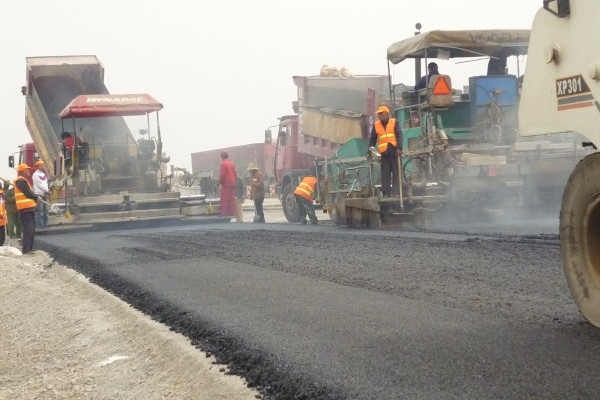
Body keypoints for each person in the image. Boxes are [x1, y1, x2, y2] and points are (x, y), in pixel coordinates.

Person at [369, 105, 403, 197]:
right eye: (379, 114)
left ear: (387, 114)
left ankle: (396, 193)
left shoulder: (394, 122)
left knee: (397, 174)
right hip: (384, 154)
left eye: (381, 113)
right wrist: (370, 150)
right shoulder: (376, 125)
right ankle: (386, 194)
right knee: (385, 175)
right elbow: (372, 139)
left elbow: (399, 135)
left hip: (395, 152)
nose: (379, 116)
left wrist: (399, 148)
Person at [14, 163, 38, 254]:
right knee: (28, 229)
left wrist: (35, 198)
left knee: (31, 229)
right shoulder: (20, 181)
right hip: (25, 209)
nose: (29, 171)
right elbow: (27, 193)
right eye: (27, 169)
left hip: (29, 208)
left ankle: (29, 249)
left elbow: (29, 193)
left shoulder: (23, 180)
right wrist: (36, 197)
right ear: (23, 171)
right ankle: (26, 249)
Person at [32, 160, 50, 228]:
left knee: (46, 210)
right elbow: (39, 185)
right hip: (39, 194)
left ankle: (45, 224)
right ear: (37, 166)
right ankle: (40, 225)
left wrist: (47, 190)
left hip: (45, 194)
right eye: (41, 165)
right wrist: (47, 190)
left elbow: (45, 184)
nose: (43, 166)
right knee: (40, 210)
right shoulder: (35, 175)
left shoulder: (43, 174)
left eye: (43, 165)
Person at [219, 151, 236, 217]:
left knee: (224, 198)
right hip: (233, 183)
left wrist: (220, 182)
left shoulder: (223, 163)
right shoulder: (232, 163)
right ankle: (232, 212)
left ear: (222, 157)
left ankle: (224, 212)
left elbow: (222, 174)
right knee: (232, 198)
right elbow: (235, 174)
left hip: (226, 183)